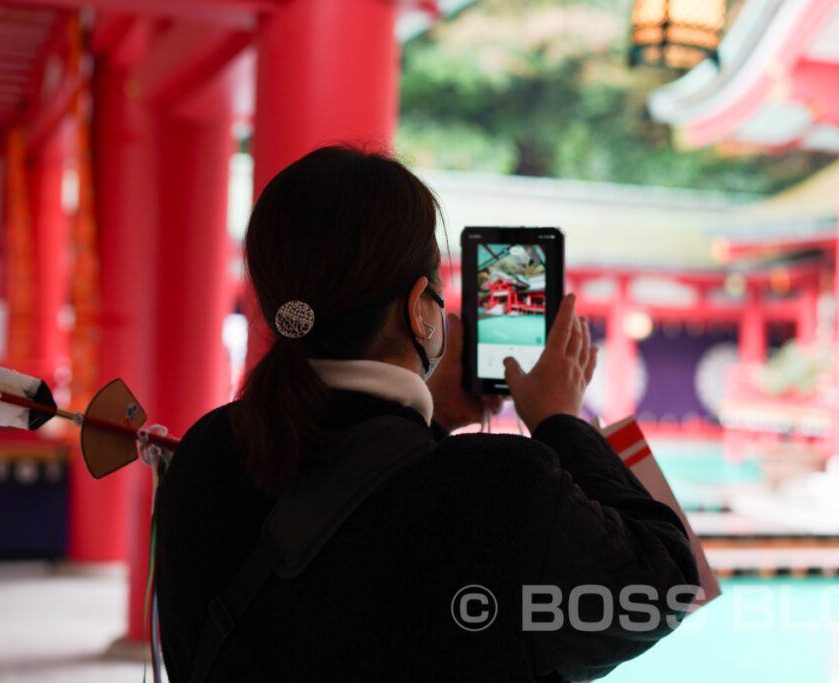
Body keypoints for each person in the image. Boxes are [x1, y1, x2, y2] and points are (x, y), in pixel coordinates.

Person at [154, 145, 699, 683]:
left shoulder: (207, 448)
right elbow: (662, 590)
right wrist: (560, 421)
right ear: (420, 310)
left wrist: (425, 427)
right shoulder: (501, 487)